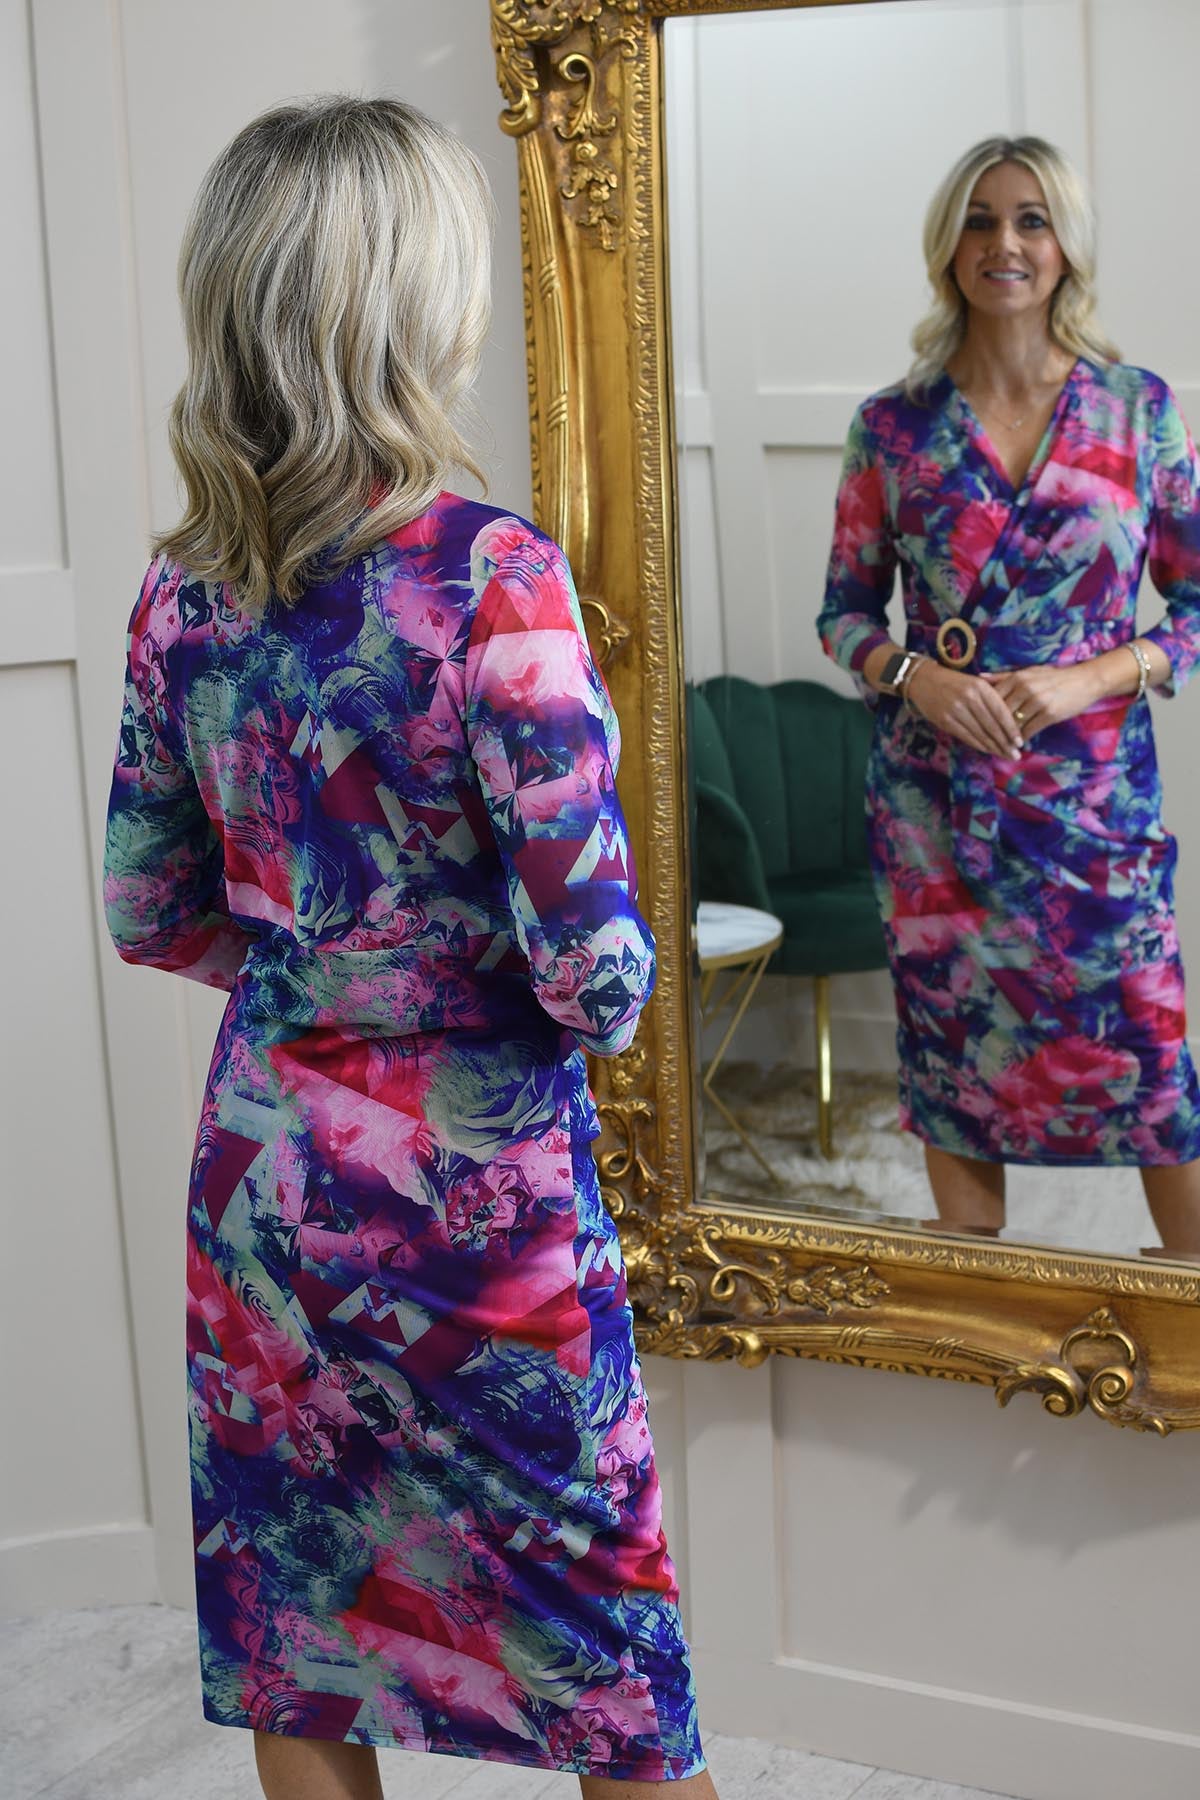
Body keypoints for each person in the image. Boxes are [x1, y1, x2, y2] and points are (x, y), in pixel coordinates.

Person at [102, 97, 716, 1800]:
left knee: (299, 1648)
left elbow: (150, 911)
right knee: (616, 1686)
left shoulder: (180, 593)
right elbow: (595, 978)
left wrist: (329, 982)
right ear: (409, 301)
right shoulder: (491, 577)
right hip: (477, 1213)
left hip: (269, 1194)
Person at [817, 134, 1200, 1255]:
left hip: (1094, 815)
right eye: (981, 220)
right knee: (957, 1069)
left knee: (1150, 1064)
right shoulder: (893, 425)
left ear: (1066, 245)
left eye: (1032, 219)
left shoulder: (1137, 412)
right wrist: (917, 677)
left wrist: (1091, 676)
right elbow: (844, 615)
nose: (1006, 242)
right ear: (950, 246)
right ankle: (976, 1310)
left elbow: (1193, 606)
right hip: (940, 815)